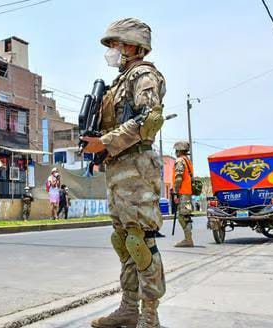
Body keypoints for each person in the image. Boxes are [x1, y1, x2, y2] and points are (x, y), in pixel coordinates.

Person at [82, 18, 167, 328]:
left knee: (140, 241)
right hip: (117, 169)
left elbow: (150, 120)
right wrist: (99, 150)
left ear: (133, 46)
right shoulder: (119, 82)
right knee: (123, 240)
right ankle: (129, 308)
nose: (112, 51)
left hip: (137, 170)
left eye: (116, 44)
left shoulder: (144, 75)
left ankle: (150, 316)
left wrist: (104, 142)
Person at [172, 141, 195, 247]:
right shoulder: (187, 161)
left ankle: (188, 240)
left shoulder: (180, 161)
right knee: (186, 216)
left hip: (183, 193)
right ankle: (188, 238)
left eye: (176, 150)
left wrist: (175, 192)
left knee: (182, 217)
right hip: (188, 193)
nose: (175, 152)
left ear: (179, 150)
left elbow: (178, 178)